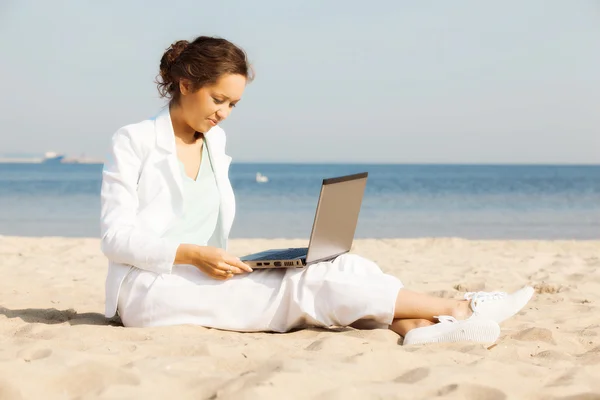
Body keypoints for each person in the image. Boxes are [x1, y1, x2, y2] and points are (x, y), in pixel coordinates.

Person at [100, 36, 534, 345]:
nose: (225, 113)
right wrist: (194, 254)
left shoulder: (215, 142)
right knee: (306, 286)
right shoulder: (134, 140)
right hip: (153, 288)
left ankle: (417, 328)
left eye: (233, 104)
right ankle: (459, 309)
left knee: (343, 264)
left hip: (209, 272)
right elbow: (115, 238)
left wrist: (212, 259)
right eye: (219, 99)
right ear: (186, 84)